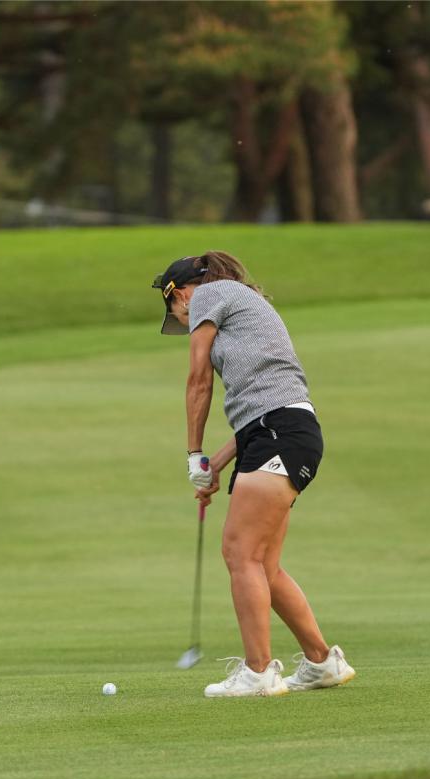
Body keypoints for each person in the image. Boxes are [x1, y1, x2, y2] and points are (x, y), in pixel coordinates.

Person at [152, 251, 356, 698]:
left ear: (180, 294)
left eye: (178, 313)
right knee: (263, 564)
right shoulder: (239, 301)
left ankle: (258, 671)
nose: (186, 322)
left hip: (279, 431)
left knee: (239, 551)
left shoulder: (208, 295)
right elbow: (259, 412)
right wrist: (216, 464)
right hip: (278, 430)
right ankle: (322, 662)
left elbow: (198, 380)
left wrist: (193, 453)